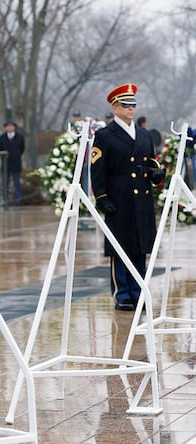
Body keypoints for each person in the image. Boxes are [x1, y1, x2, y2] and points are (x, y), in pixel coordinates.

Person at [90, 83, 163, 311]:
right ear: (115, 107)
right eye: (126, 105)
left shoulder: (143, 135)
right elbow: (97, 169)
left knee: (140, 248)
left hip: (141, 199)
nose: (131, 109)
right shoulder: (105, 135)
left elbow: (150, 162)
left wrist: (156, 173)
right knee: (120, 248)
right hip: (119, 199)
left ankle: (138, 291)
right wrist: (102, 198)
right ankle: (122, 293)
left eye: (133, 105)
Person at [0, 120, 25, 205]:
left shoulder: (20, 137)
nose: (9, 128)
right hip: (6, 164)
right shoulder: (2, 137)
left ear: (14, 127)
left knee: (17, 183)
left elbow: (22, 148)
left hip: (16, 163)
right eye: (8, 126)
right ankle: (6, 201)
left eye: (11, 126)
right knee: (5, 184)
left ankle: (18, 201)